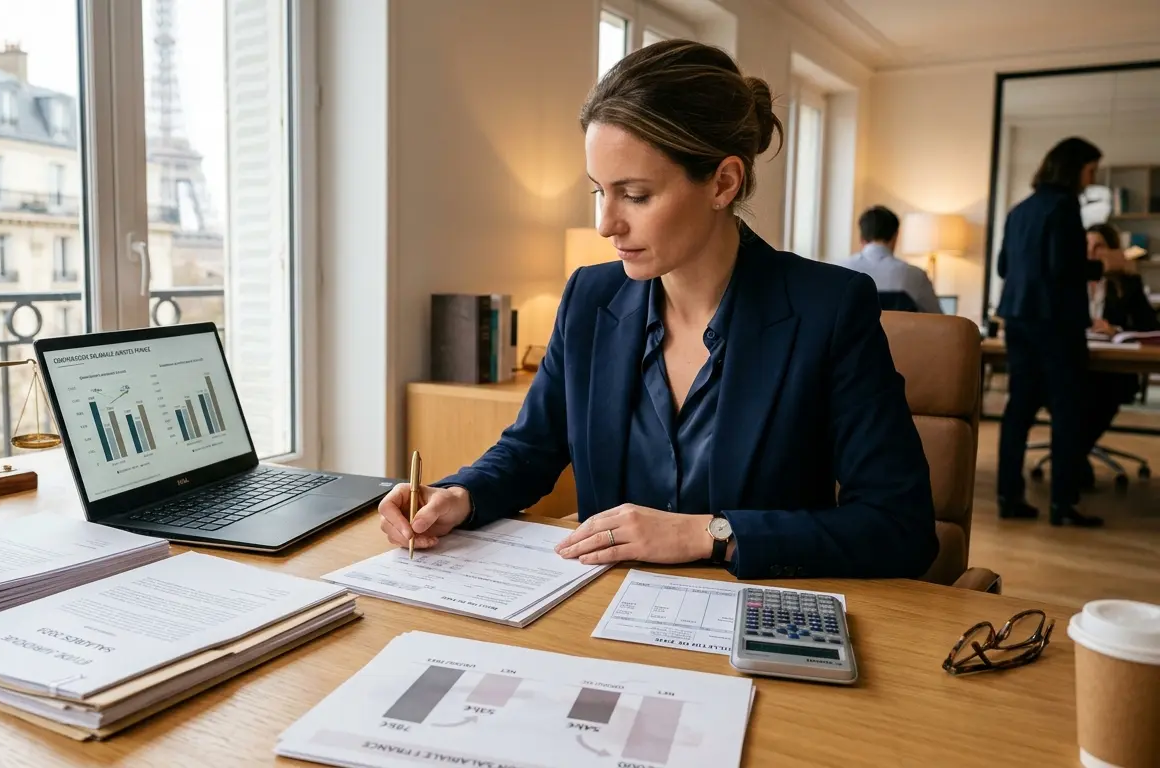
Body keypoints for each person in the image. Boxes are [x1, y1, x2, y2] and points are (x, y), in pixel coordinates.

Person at [375, 40, 939, 580]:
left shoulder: (830, 309)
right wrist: (458, 495)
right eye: (600, 191)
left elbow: (900, 528)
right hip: (600, 615)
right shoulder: (589, 299)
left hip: (752, 625)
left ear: (723, 181)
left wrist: (710, 534)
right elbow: (531, 448)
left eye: (636, 195)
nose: (606, 223)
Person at [995, 136, 1105, 527]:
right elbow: (1064, 268)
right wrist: (1103, 266)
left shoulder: (1019, 209)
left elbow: (1004, 267)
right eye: (1090, 170)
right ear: (1074, 168)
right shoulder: (1064, 206)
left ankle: (1009, 496)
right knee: (1067, 412)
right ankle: (1062, 504)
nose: (1091, 179)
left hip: (1018, 318)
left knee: (1019, 409)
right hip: (1056, 323)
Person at [1077, 223, 1159, 487]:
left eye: (1098, 246)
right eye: (1087, 246)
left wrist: (1116, 330)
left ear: (1112, 250)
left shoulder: (1126, 282)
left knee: (1104, 392)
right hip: (1074, 362)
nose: (1091, 252)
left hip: (1111, 370)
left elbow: (1149, 328)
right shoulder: (1070, 280)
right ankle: (1075, 458)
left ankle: (1072, 456)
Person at [836, 206, 943, 314]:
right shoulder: (916, 275)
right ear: (895, 237)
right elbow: (938, 319)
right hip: (900, 331)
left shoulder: (838, 271)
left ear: (861, 237)